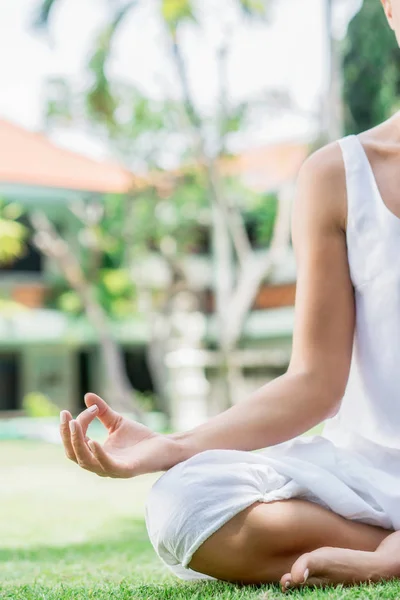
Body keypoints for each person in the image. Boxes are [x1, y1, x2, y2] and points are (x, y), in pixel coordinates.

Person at [58, 0, 400, 591]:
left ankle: (387, 560)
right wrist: (174, 446)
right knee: (185, 503)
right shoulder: (339, 175)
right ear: (392, 11)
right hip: (374, 479)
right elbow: (315, 384)